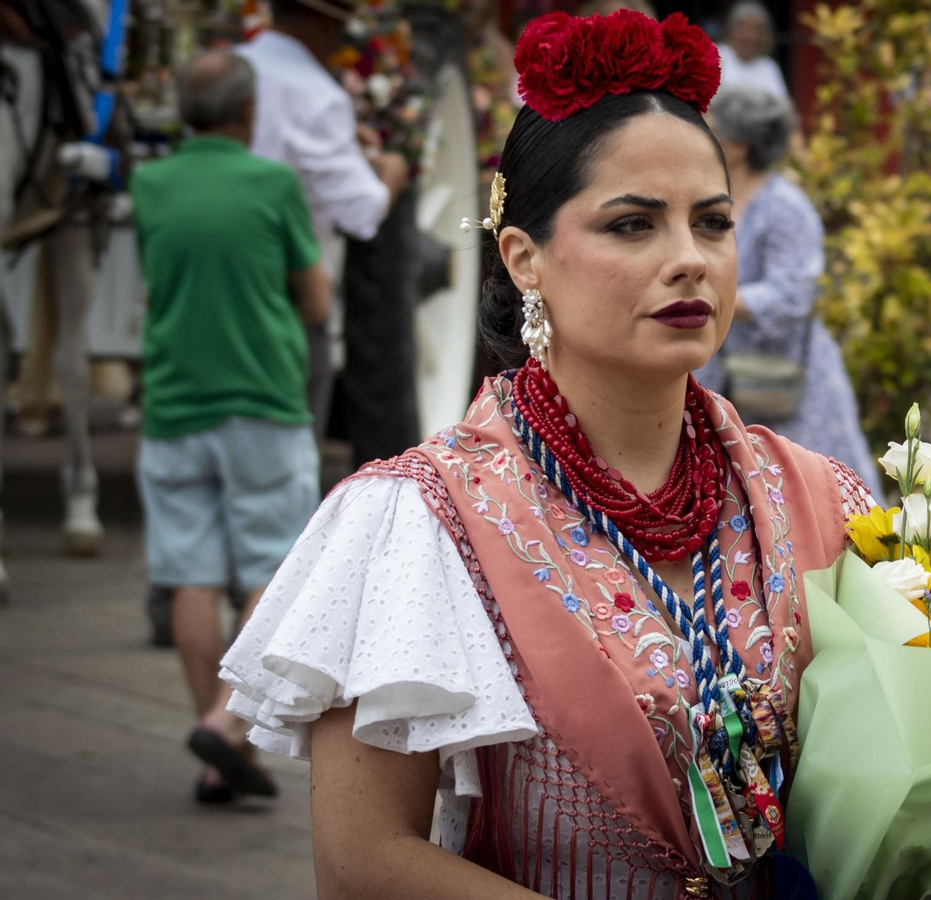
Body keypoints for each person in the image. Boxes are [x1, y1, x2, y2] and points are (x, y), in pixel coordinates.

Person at [220, 10, 873, 895]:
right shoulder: (420, 520)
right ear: (525, 258)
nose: (690, 260)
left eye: (712, 223)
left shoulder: (819, 495)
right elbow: (363, 856)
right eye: (633, 226)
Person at [130, 51, 328, 804]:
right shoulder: (272, 183)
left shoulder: (150, 184)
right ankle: (225, 723)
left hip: (174, 400)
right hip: (263, 398)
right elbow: (313, 297)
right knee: (273, 572)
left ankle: (218, 754)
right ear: (248, 113)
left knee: (191, 576)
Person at [692, 85, 883, 498]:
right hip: (723, 370)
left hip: (785, 378)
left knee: (812, 492)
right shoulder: (712, 198)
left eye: (712, 130)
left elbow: (793, 296)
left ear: (739, 145)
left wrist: (713, 295)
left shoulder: (785, 206)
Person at [235, 0, 410, 445]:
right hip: (283, 297)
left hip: (210, 284)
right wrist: (391, 171)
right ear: (322, 24)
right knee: (286, 459)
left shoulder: (229, 70)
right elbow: (363, 213)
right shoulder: (317, 94)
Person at [717, 2, 789, 102]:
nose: (750, 36)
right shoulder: (718, 56)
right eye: (743, 28)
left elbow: (782, 106)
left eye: (756, 29)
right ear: (731, 30)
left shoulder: (769, 67)